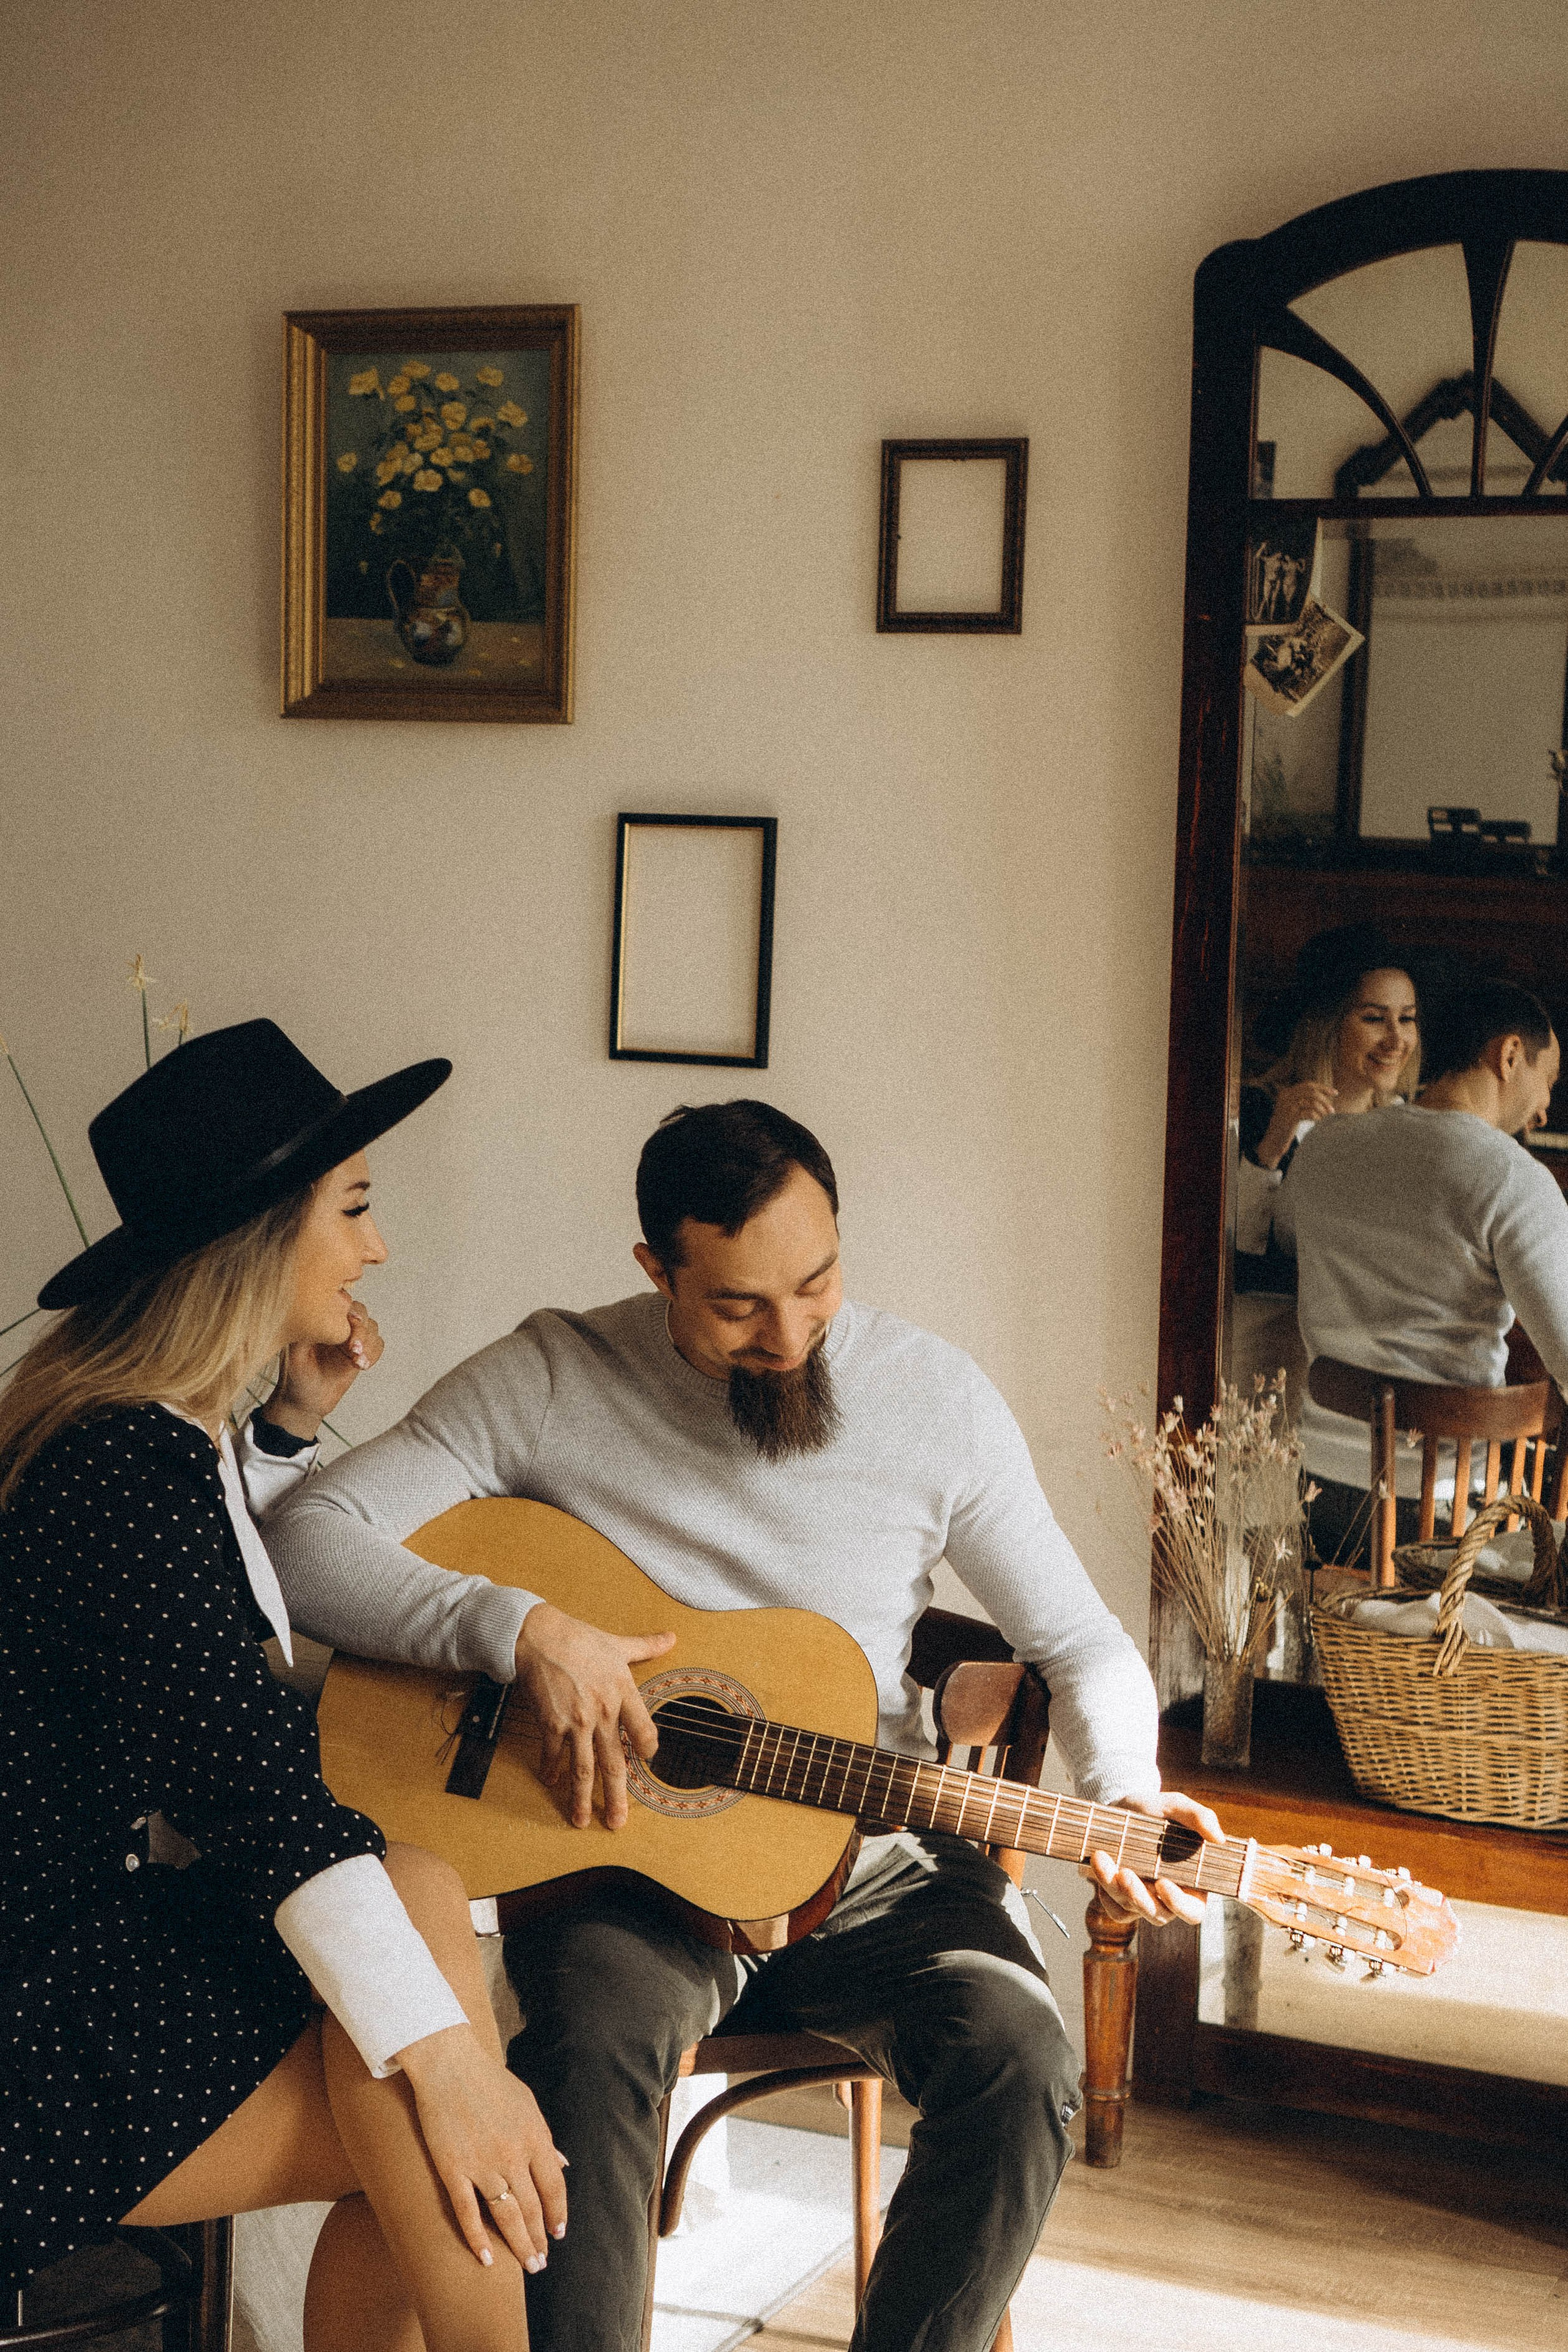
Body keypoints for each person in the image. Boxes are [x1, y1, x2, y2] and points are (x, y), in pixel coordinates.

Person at [265, 1098, 1222, 2352]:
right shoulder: (552, 1376)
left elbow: (1081, 1645)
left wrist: (1123, 1784)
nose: (789, 1334)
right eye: (736, 1306)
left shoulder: (934, 1399)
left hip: (873, 1862)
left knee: (1021, 2056)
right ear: (656, 1270)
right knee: (585, 2056)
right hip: (627, 1872)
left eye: (816, 1283)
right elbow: (303, 1543)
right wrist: (521, 1630)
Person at [0, 1021, 566, 2352]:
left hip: (86, 1949)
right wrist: (453, 2066)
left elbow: (197, 1607)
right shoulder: (117, 1479)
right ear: (257, 1242)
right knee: (428, 2110)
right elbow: (260, 1797)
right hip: (37, 2021)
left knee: (417, 1901)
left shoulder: (130, 1439)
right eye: (353, 1208)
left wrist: (289, 1426)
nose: (376, 1247)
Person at [1275, 978, 1568, 1563]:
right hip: (1442, 1515)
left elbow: (1283, 1234)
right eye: (1549, 1081)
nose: (1543, 1108)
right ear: (1509, 1054)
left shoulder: (1323, 1147)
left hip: (1318, 1491)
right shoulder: (1513, 1178)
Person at [1235, 924, 1422, 1294]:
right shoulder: (1255, 1109)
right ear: (1325, 1027)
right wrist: (1271, 1148)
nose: (1396, 1040)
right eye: (1374, 1018)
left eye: (1406, 1018)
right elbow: (1234, 1255)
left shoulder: (1410, 1122)